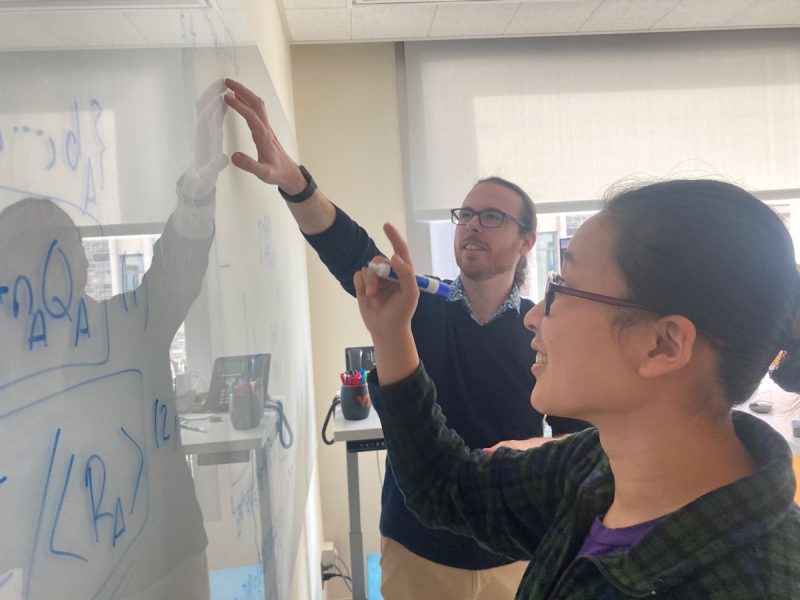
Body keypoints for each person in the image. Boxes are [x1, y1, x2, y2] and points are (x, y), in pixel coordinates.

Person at [223, 78, 589, 599]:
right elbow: (349, 249)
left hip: (517, 551)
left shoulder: (541, 328)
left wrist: (520, 473)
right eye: (465, 215)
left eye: (491, 217)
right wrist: (295, 182)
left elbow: (580, 444)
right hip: (418, 547)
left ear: (527, 239)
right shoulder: (416, 304)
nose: (472, 227)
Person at [354, 179, 800, 598]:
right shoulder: (588, 468)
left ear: (663, 344)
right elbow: (444, 486)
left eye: (563, 286)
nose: (533, 316)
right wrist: (393, 335)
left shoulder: (755, 583)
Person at [0, 80, 228, 599]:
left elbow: (179, 267)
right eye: (29, 257)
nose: (50, 269)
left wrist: (198, 182)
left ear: (79, 266)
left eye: (61, 250)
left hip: (165, 565)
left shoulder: (125, 329)